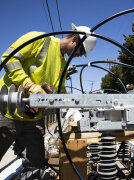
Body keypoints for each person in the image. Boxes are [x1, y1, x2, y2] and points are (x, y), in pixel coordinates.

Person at [0, 23, 96, 179]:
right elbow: (9, 58)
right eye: (81, 50)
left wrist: (69, 102)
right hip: (8, 111)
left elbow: (60, 91)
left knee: (35, 163)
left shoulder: (63, 64)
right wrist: (28, 85)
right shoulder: (40, 40)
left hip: (33, 118)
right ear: (74, 39)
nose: (80, 55)